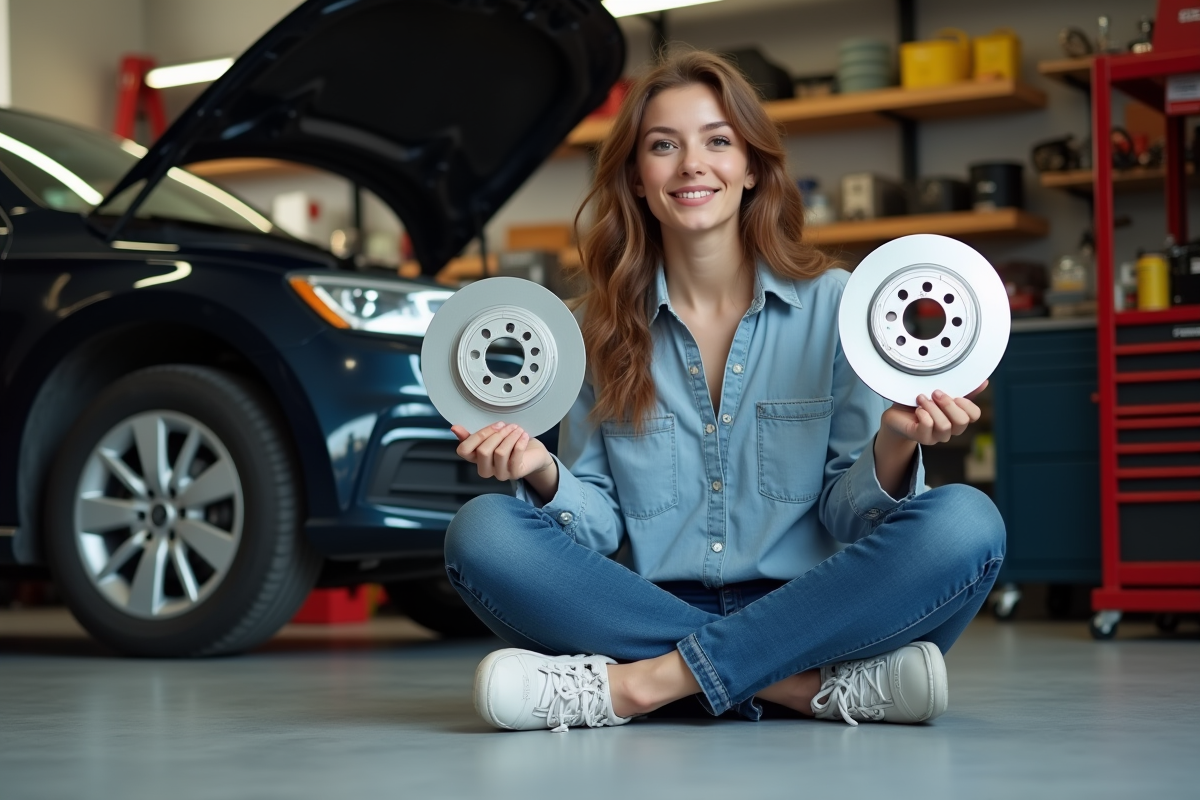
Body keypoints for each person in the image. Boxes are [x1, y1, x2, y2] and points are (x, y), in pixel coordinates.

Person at [443, 50, 1005, 732]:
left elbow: (852, 520)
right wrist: (539, 469)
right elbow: (598, 531)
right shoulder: (596, 328)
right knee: (483, 532)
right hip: (640, 608)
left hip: (817, 607)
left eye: (717, 140)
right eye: (662, 146)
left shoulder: (841, 308)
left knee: (968, 524)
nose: (691, 165)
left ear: (752, 168)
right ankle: (809, 690)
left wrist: (893, 441)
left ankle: (636, 689)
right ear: (637, 180)